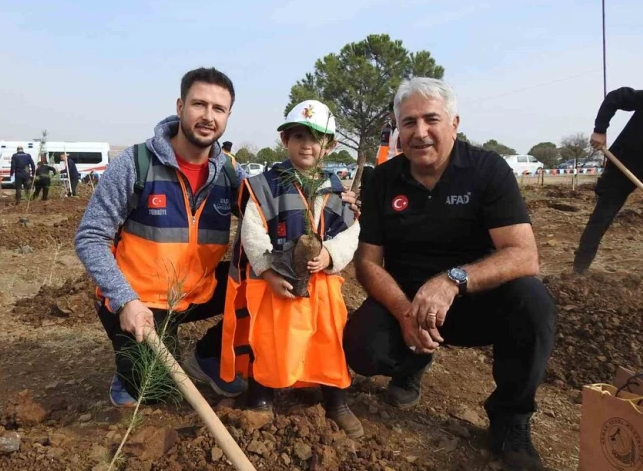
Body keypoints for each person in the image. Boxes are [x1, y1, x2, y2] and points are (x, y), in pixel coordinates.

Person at [343, 78, 556, 470]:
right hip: (409, 302)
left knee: (533, 302)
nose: (419, 132)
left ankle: (511, 420)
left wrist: (452, 280)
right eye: (408, 123)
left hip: (477, 299)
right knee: (361, 346)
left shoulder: (487, 170)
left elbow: (524, 256)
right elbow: (368, 263)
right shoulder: (383, 180)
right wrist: (406, 312)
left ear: (454, 123)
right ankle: (412, 366)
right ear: (397, 129)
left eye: (431, 119)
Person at [74, 67, 249, 407]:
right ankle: (131, 371)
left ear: (228, 116)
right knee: (155, 392)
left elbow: (269, 209)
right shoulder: (136, 163)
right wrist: (125, 299)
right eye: (199, 104)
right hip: (140, 301)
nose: (208, 116)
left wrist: (333, 205)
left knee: (261, 287)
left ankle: (208, 357)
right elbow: (90, 237)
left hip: (196, 292)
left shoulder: (228, 171)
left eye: (219, 109)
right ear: (181, 105)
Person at [220, 100, 363, 438]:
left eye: (316, 138)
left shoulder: (338, 191)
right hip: (276, 284)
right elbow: (252, 232)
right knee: (269, 340)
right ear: (285, 140)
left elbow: (352, 233)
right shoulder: (264, 185)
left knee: (328, 339)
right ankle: (262, 396)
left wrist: (329, 255)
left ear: (330, 145)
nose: (307, 144)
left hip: (322, 286)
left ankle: (335, 399)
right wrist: (268, 271)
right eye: (298, 136)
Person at [574, 87, 643, 280]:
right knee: (603, 215)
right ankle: (579, 268)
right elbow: (616, 97)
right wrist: (600, 129)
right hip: (624, 162)